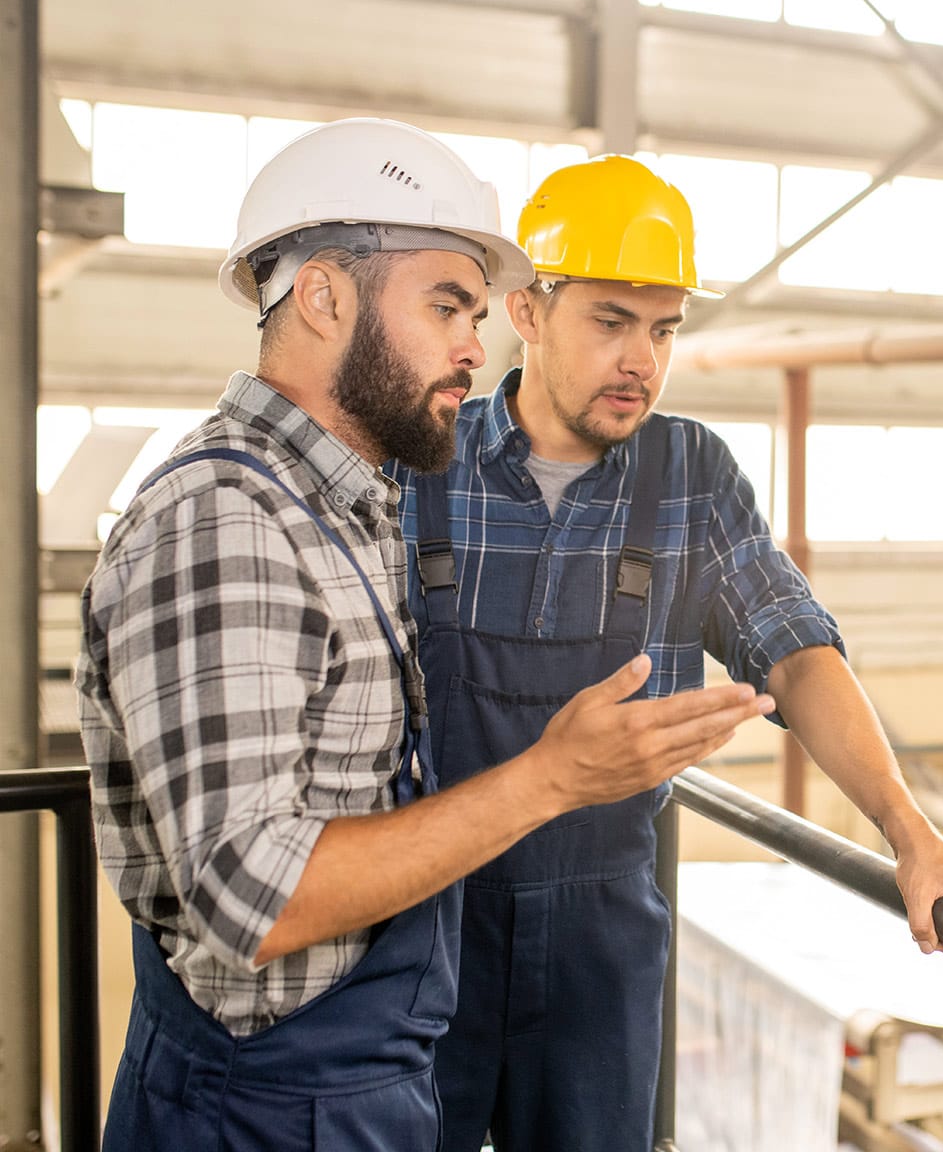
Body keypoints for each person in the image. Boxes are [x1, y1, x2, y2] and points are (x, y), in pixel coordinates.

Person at [75, 119, 773, 1152]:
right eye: (447, 305)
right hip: (265, 1107)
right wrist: (552, 778)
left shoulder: (344, 507)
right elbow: (252, 895)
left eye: (479, 313)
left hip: (363, 1071)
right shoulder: (226, 521)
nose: (471, 348)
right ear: (324, 296)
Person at [392, 153, 943, 1152]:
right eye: (611, 321)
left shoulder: (690, 477)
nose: (643, 359)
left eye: (665, 329)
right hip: (423, 921)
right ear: (528, 312)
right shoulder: (423, 454)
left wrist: (908, 833)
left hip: (600, 947)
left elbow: (797, 650)